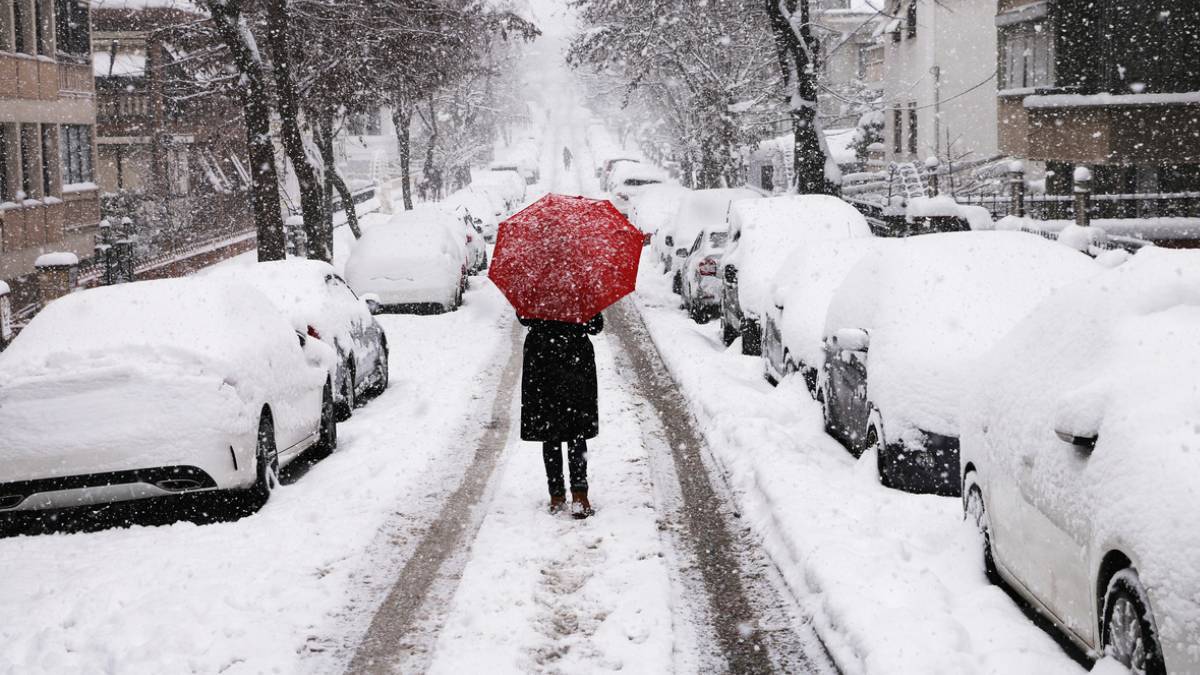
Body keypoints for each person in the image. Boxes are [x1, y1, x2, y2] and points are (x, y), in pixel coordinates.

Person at [518, 312, 603, 518]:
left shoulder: (536, 286)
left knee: (551, 432)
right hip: (576, 361)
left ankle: (556, 495)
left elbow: (524, 318)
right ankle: (579, 495)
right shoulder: (582, 288)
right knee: (576, 431)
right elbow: (595, 326)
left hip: (542, 361)